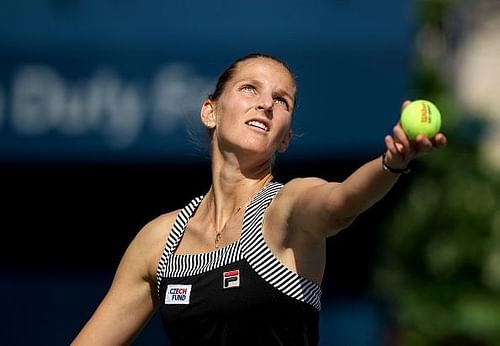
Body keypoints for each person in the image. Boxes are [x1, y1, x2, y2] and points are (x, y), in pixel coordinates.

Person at [71, 52, 447, 345]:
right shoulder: (159, 242)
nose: (266, 104)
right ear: (210, 111)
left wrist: (391, 162)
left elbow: (341, 201)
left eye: (281, 101)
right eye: (250, 88)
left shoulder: (286, 207)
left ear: (284, 138)